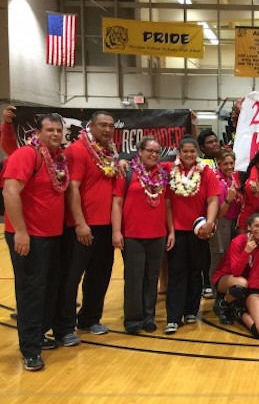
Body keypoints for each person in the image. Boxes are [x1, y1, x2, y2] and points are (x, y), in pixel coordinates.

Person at [3, 113, 67, 370]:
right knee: (31, 292)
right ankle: (30, 349)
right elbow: (10, 191)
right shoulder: (26, 155)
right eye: (49, 130)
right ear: (38, 132)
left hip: (52, 236)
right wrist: (20, 231)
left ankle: (39, 334)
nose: (54, 134)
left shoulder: (57, 158)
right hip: (29, 237)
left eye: (58, 130)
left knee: (49, 289)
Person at [53, 111, 121, 348]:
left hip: (105, 226)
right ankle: (63, 328)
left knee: (100, 275)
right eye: (103, 125)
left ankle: (90, 318)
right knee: (71, 278)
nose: (107, 129)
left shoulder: (110, 154)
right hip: (80, 227)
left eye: (111, 126)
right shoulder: (77, 151)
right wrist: (80, 223)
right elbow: (72, 189)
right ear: (90, 125)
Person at [111, 136, 175, 334]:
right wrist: (116, 231)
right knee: (134, 278)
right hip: (132, 235)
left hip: (157, 235)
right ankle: (132, 319)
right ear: (140, 151)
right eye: (149, 150)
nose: (153, 155)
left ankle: (149, 317)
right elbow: (117, 203)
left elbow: (167, 204)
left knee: (151, 277)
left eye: (157, 152)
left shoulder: (163, 173)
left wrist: (170, 230)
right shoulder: (126, 171)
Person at [163, 137, 220, 334]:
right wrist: (170, 230)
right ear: (179, 152)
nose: (189, 155)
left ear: (198, 153)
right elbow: (168, 204)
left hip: (199, 231)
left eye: (192, 151)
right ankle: (172, 317)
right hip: (178, 231)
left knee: (195, 272)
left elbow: (213, 199)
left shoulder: (206, 172)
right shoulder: (171, 171)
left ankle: (190, 310)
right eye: (185, 151)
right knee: (177, 272)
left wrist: (210, 222)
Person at [211, 213, 259, 325]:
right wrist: (246, 251)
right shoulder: (239, 241)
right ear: (249, 227)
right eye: (256, 226)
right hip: (226, 277)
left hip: (246, 280)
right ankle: (223, 304)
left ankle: (236, 305)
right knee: (241, 284)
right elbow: (236, 272)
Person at [206, 150, 242, 299]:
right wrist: (228, 199)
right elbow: (218, 213)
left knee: (228, 257)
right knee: (218, 257)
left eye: (231, 163)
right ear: (218, 164)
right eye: (225, 163)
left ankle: (223, 288)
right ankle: (215, 292)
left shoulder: (233, 178)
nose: (229, 166)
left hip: (232, 222)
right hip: (220, 223)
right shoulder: (217, 182)